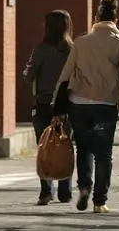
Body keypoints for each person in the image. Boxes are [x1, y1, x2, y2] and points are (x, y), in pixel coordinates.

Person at [54, 0, 119, 213]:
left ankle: (85, 187)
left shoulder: (80, 42)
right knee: (104, 153)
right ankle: (100, 201)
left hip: (78, 103)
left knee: (84, 149)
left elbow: (65, 76)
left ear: (96, 18)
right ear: (116, 21)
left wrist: (56, 106)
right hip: (105, 105)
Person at [23, 10, 74, 205]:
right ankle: (65, 192)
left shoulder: (41, 49)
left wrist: (28, 70)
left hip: (43, 104)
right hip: (67, 105)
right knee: (66, 147)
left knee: (44, 147)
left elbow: (28, 77)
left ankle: (46, 192)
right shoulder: (73, 49)